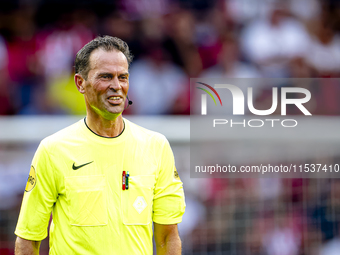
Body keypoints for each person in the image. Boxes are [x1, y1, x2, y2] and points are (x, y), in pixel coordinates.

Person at [14, 35, 186, 255]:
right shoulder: (53, 150)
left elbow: (167, 235)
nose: (116, 86)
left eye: (122, 77)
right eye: (105, 77)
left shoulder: (156, 146)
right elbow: (28, 239)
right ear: (80, 83)